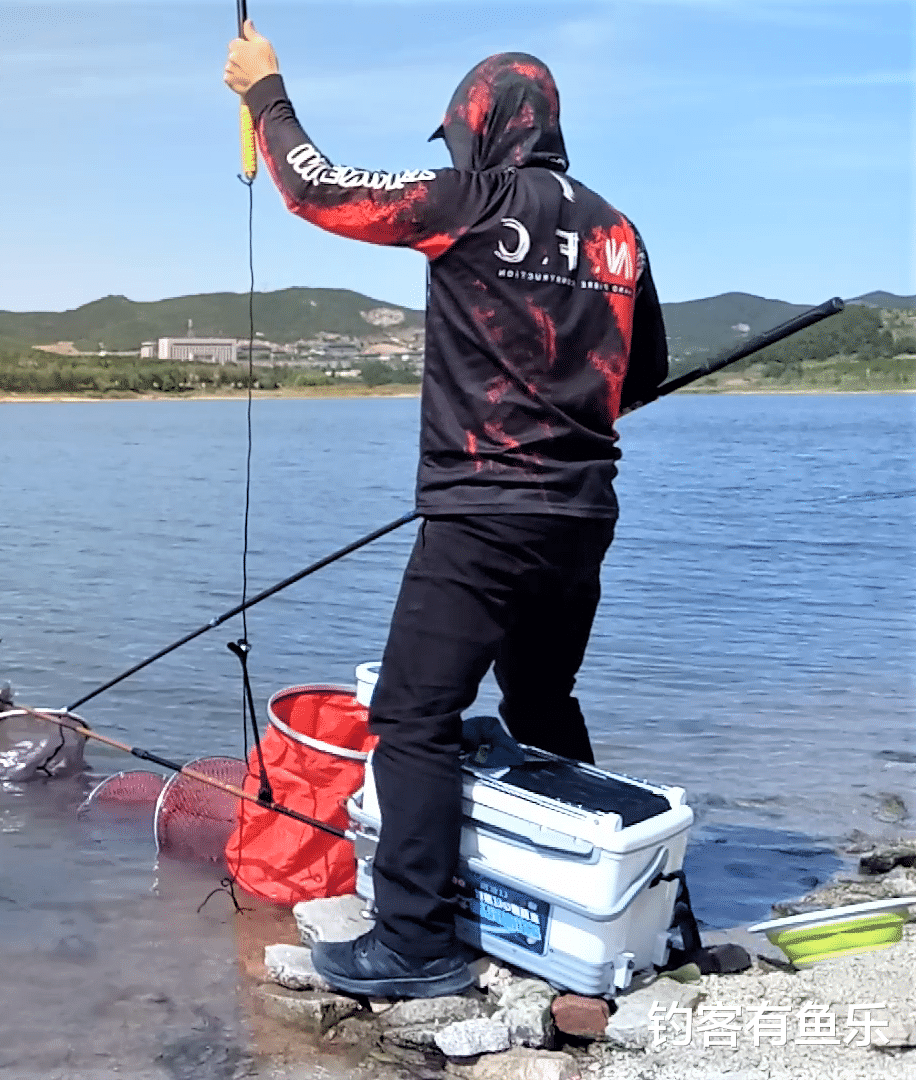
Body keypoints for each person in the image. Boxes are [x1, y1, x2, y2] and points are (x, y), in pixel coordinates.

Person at [224, 26, 668, 998]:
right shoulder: (616, 231)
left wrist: (268, 94)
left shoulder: (469, 203)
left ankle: (415, 941)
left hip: (484, 515)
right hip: (583, 516)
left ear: (484, 127)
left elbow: (317, 188)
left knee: (414, 715)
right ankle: (596, 885)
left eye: (457, 136)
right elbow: (646, 374)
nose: (454, 151)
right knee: (542, 699)